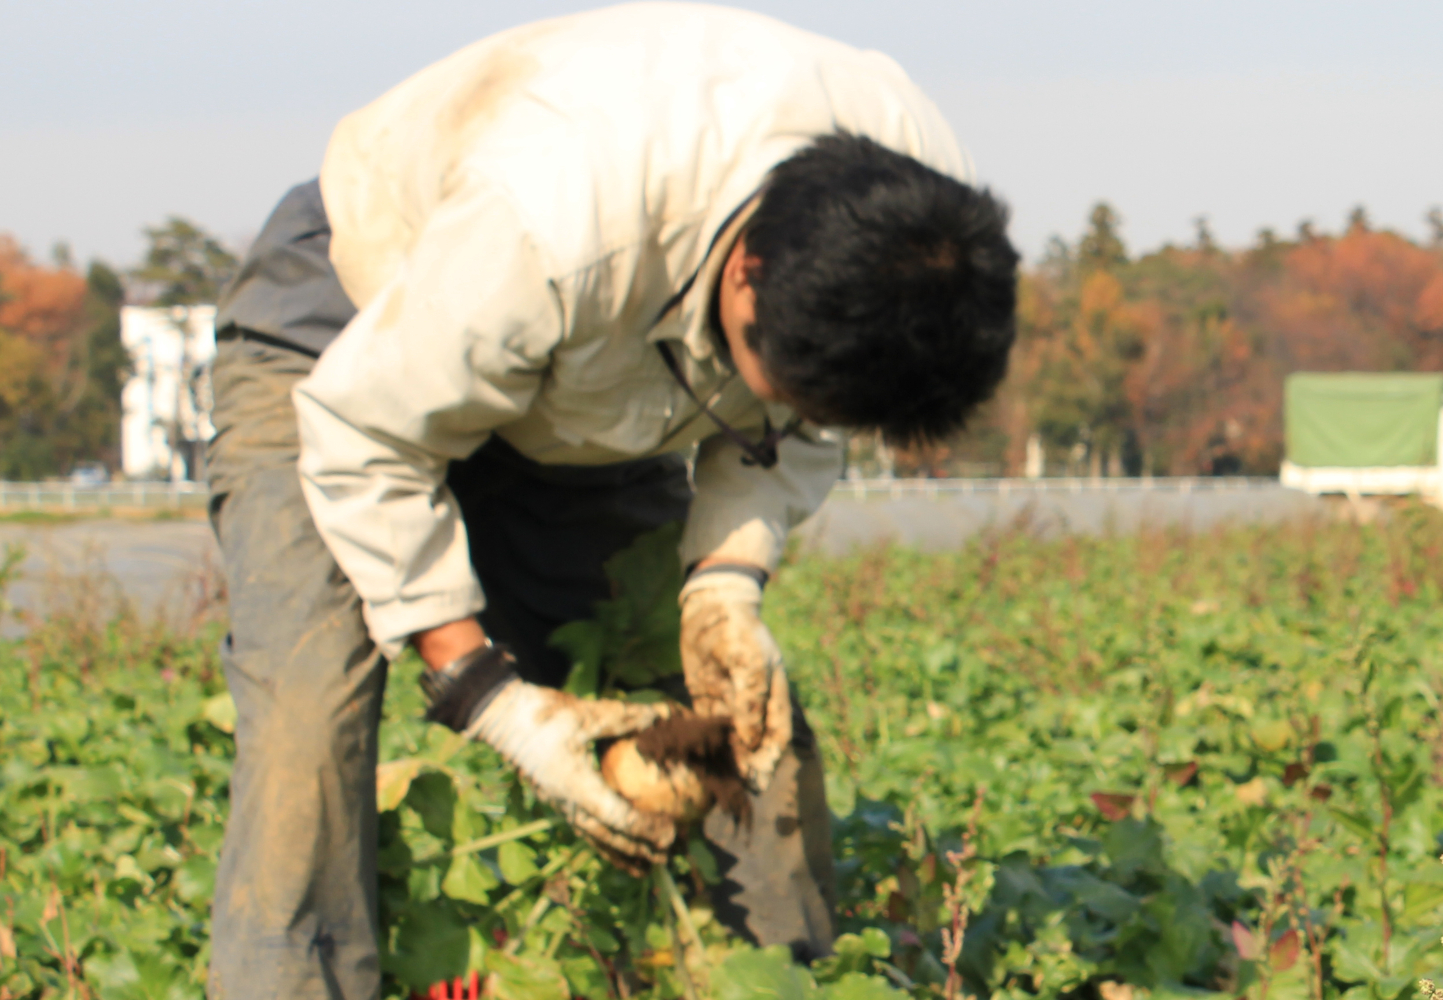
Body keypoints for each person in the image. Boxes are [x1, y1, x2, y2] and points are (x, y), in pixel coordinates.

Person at [200, 5, 1017, 997]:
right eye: (785, 385)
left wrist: (725, 582)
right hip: (353, 329)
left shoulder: (925, 235)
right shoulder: (549, 215)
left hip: (593, 382)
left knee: (735, 728)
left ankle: (781, 977)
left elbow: (798, 425)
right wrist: (489, 699)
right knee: (308, 718)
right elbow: (367, 438)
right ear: (749, 270)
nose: (796, 417)